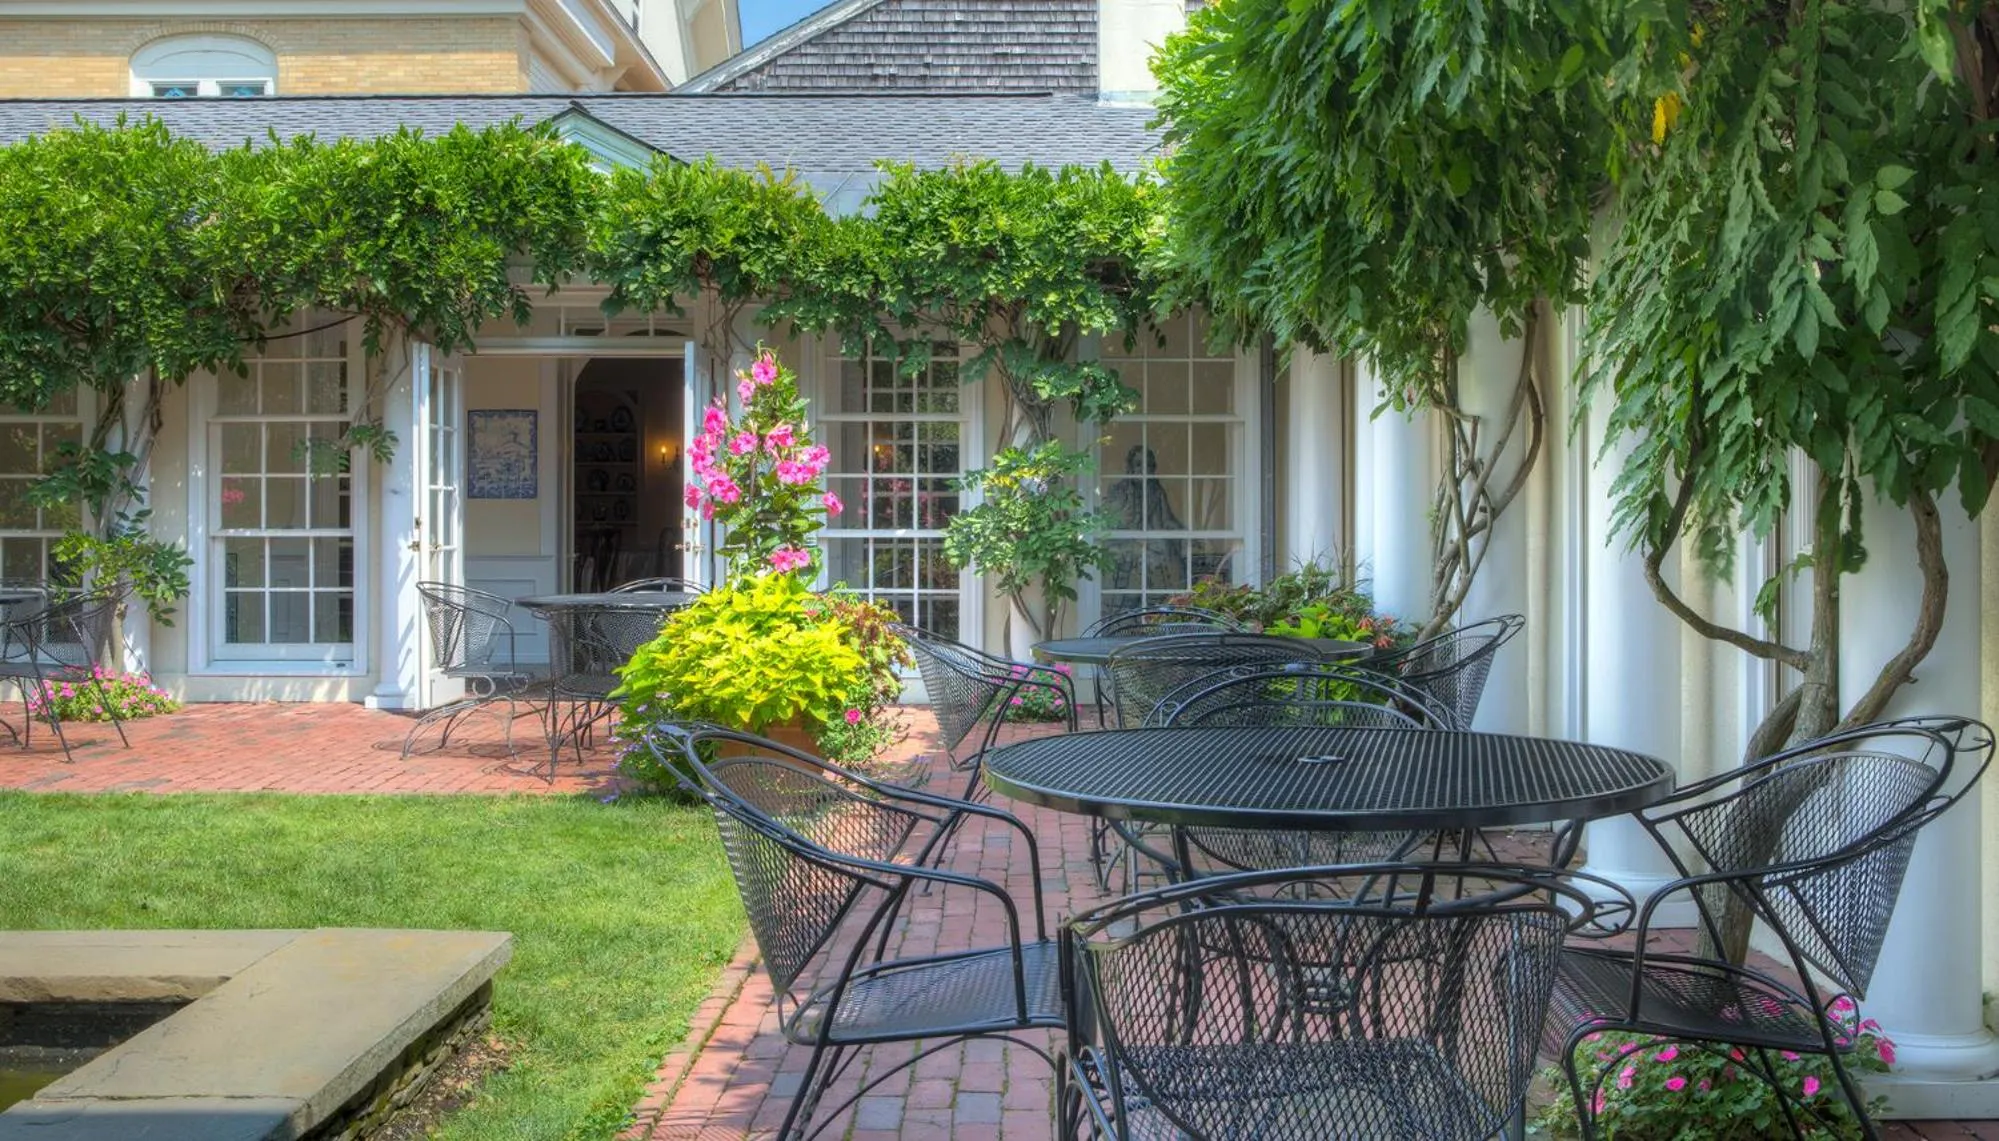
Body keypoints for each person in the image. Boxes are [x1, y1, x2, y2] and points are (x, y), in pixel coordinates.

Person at [1102, 444, 1188, 594]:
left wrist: (1186, 533)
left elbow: (1165, 520)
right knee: (1150, 554)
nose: (1143, 469)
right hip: (1123, 540)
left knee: (1166, 548)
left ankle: (1173, 598)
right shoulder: (1119, 490)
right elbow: (1113, 524)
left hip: (1147, 540)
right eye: (1138, 464)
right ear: (1130, 467)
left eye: (1148, 465)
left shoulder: (1155, 490)